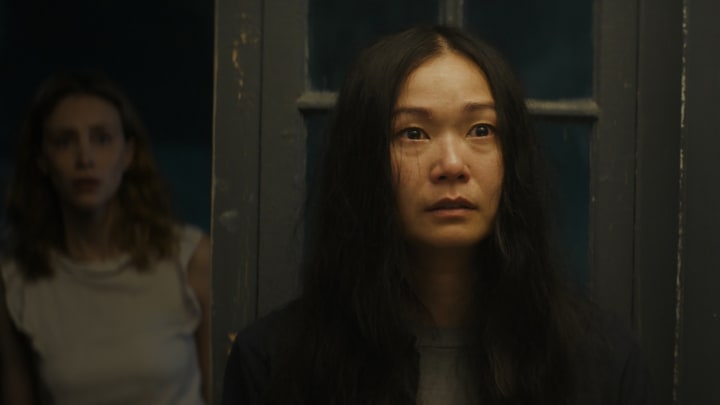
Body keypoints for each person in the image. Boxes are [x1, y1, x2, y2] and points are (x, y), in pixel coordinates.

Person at [221, 25, 653, 405]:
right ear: (364, 162)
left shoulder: (602, 361)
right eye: (413, 133)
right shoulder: (274, 362)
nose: (451, 164)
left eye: (480, 130)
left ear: (511, 159)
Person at [0, 70, 212, 404]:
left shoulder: (188, 259)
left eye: (101, 139)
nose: (85, 158)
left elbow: (221, 391)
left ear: (128, 153)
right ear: (42, 158)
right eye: (64, 141)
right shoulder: (17, 280)